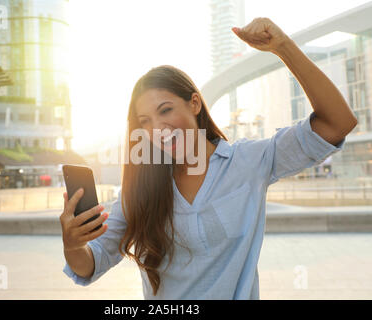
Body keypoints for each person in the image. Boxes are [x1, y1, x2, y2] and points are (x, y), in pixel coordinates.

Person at [59, 17, 357, 299]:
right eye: (145, 121)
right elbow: (89, 264)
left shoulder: (249, 162)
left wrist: (282, 47)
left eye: (165, 110)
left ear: (195, 103)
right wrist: (73, 244)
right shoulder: (139, 190)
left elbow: (337, 123)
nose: (158, 128)